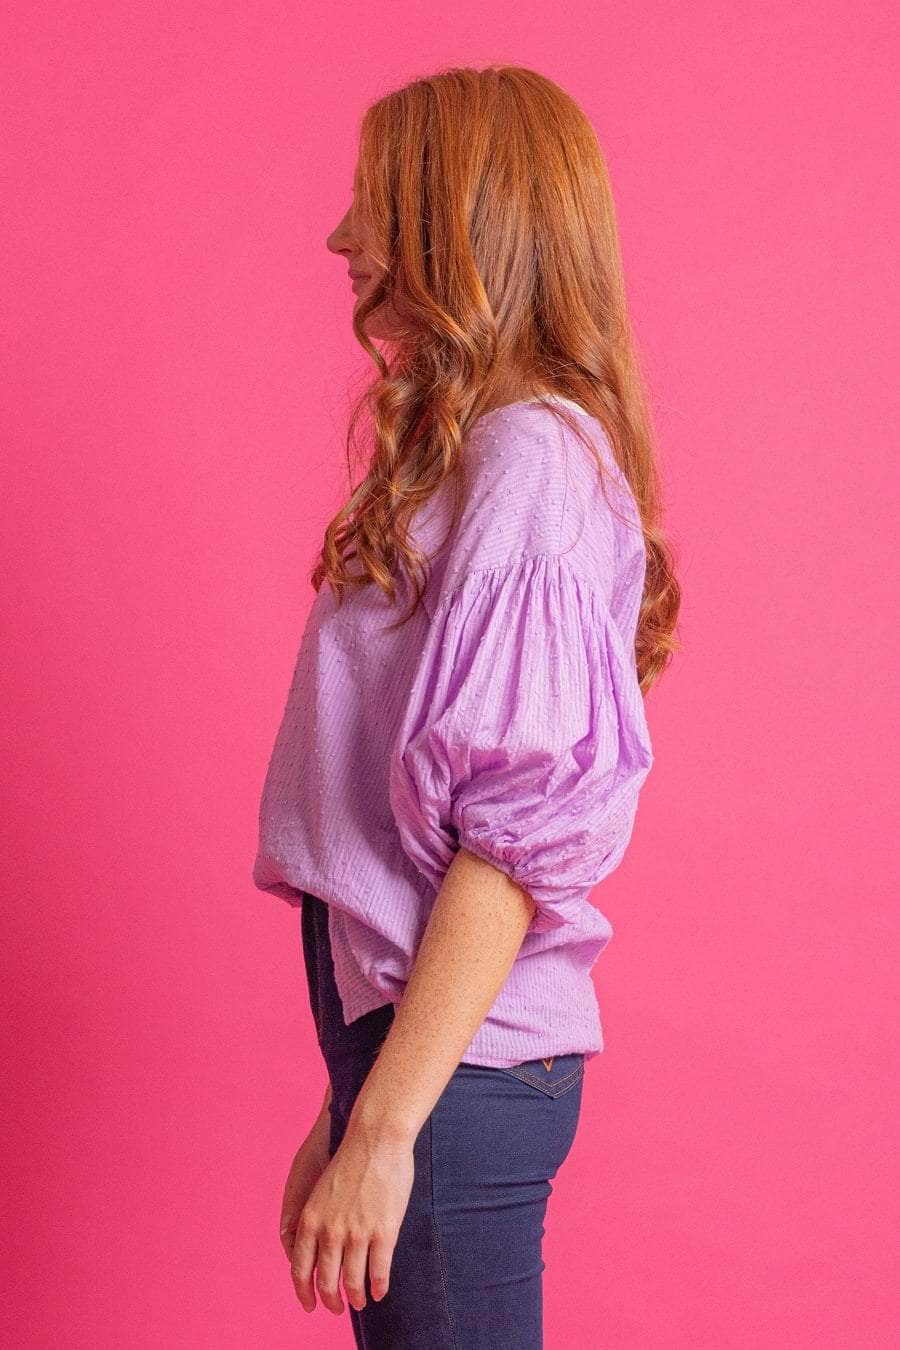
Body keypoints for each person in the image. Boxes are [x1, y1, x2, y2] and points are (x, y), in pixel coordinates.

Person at [252, 63, 680, 1349]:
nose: (341, 238)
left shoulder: (530, 458)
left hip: (456, 1081)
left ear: (456, 221)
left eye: (374, 201)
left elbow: (509, 843)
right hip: (434, 1064)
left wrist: (389, 1127)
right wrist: (354, 1105)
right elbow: (421, 846)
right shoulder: (485, 454)